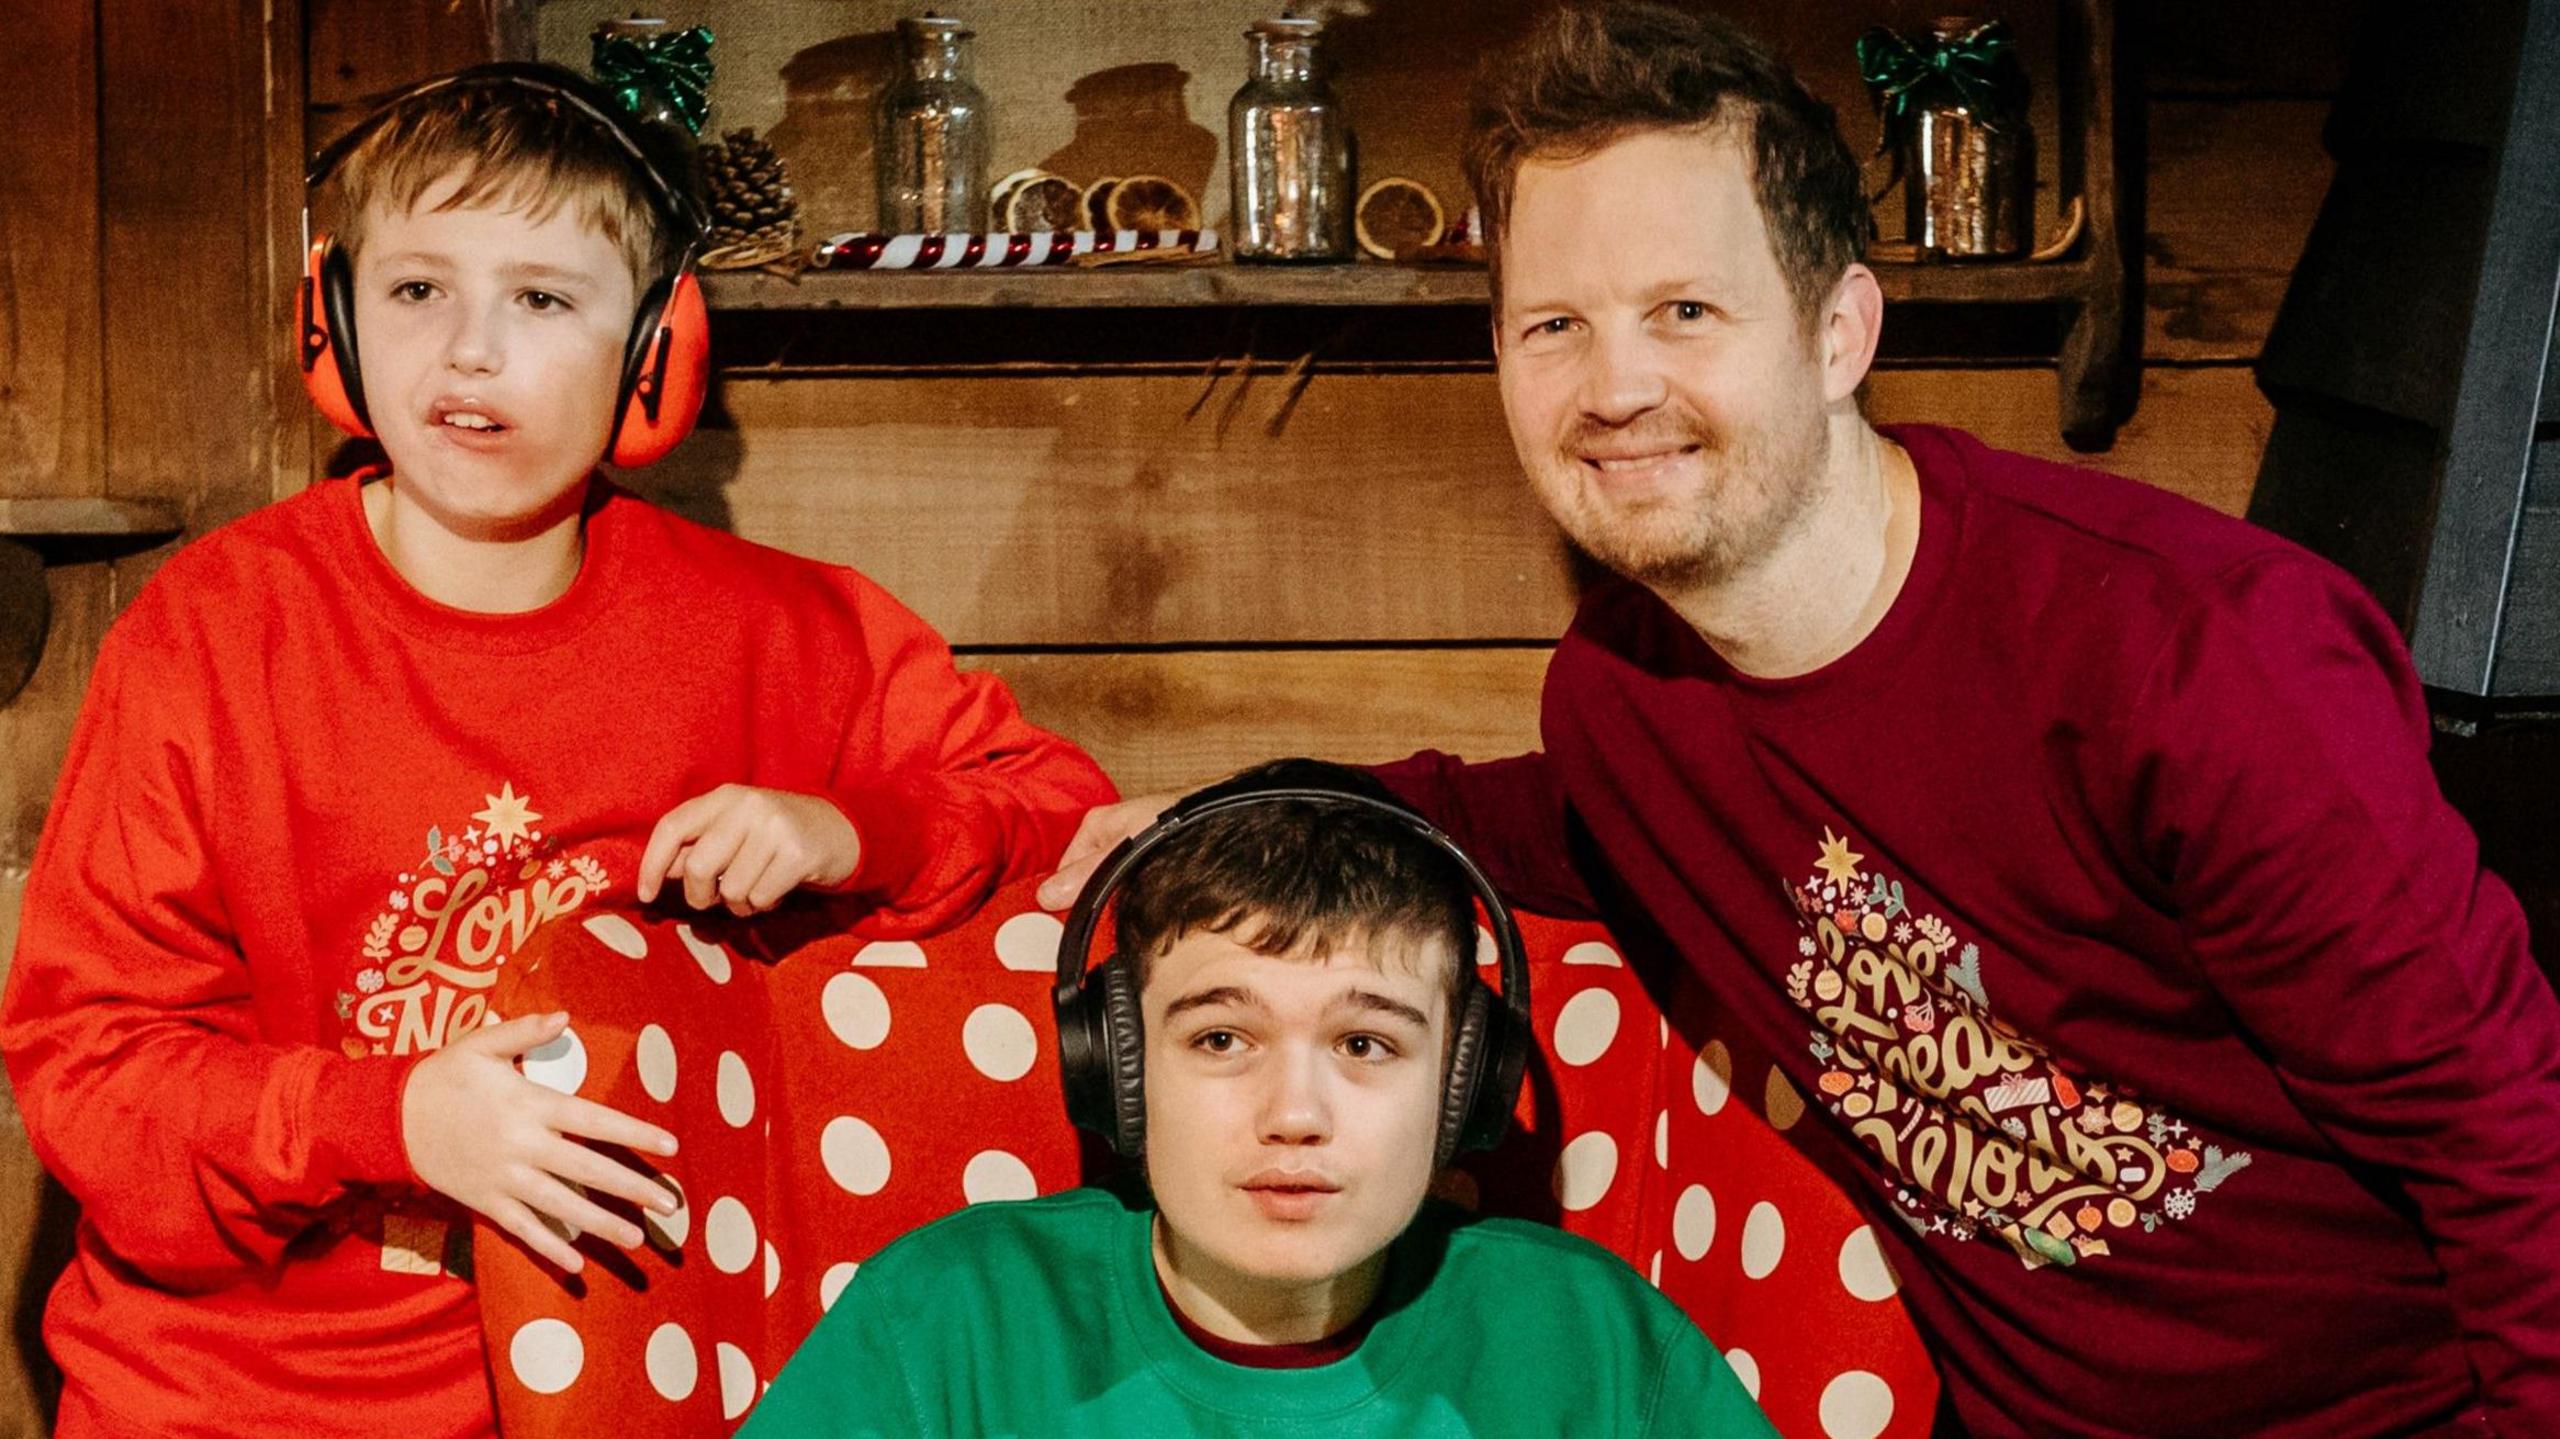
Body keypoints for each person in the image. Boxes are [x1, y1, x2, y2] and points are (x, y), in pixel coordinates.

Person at [1040, 7, 2560, 1435]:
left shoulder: (2203, 662)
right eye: (1552, 323)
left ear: (1841, 334)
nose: (1614, 384)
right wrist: (1224, 815)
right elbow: (1537, 815)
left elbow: (2513, 1153)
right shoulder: (1625, 701)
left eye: (1684, 309)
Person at [0, 65, 1112, 1439]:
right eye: (416, 291)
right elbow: (95, 1070)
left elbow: (1067, 815)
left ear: (655, 352)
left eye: (542, 298)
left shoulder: (787, 630)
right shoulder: (210, 634)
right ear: (330, 317)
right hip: (240, 1399)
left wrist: (858, 831)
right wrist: (393, 1118)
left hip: (644, 1383)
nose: (469, 350)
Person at [750, 761, 1773, 1436]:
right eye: (1221, 1037)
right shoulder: (952, 1319)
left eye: (1365, 1041)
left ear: (1462, 1085)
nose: (1294, 1110)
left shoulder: (1588, 1341)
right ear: (1118, 1064)